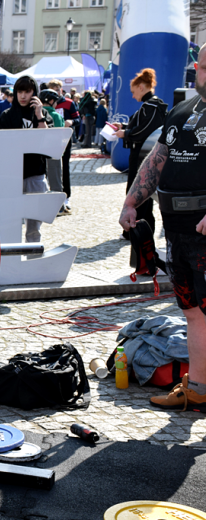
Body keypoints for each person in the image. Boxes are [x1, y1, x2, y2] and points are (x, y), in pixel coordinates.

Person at [119, 46, 206, 413]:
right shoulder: (182, 111)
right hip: (177, 227)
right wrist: (131, 202)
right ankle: (199, 388)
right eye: (204, 64)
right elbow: (157, 159)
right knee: (193, 312)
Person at [0, 75, 53, 243]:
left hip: (35, 171)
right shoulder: (7, 115)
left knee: (34, 222)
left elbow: (48, 139)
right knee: (10, 219)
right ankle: (11, 255)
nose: (23, 96)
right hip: (12, 173)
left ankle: (33, 257)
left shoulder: (42, 114)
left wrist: (39, 115)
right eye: (20, 92)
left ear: (34, 93)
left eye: (27, 92)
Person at [116, 68, 167, 239]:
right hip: (143, 155)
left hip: (142, 157)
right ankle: (136, 230)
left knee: (138, 195)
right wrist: (124, 129)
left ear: (141, 87)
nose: (132, 96)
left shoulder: (151, 106)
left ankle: (137, 230)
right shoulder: (151, 106)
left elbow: (145, 131)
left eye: (133, 91)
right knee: (142, 196)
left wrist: (126, 133)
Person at [47, 79, 80, 213]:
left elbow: (78, 119)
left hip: (64, 138)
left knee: (64, 167)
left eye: (57, 89)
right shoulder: (46, 104)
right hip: (49, 139)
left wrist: (71, 121)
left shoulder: (69, 103)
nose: (55, 92)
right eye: (53, 90)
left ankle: (66, 197)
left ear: (61, 90)